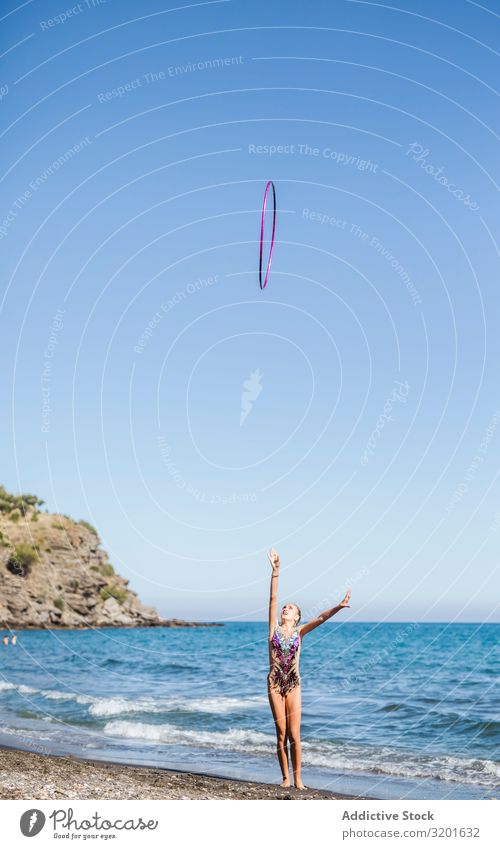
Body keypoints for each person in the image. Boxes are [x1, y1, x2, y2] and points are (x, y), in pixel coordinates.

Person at [267, 546, 351, 790]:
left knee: (295, 735)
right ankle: (285, 778)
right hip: (274, 683)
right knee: (281, 733)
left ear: (297, 617)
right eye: (285, 607)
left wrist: (338, 606)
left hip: (294, 685)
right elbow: (272, 599)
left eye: (290, 608)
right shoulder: (272, 628)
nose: (285, 608)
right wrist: (276, 571)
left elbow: (321, 619)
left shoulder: (299, 632)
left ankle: (299, 779)